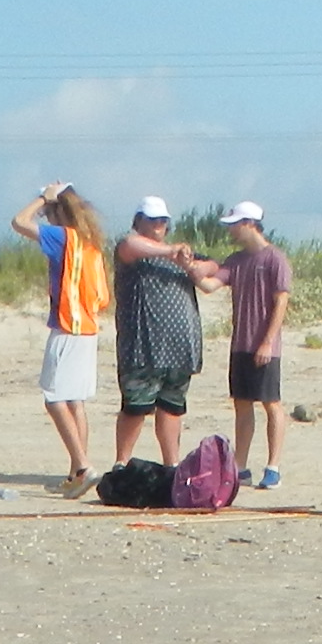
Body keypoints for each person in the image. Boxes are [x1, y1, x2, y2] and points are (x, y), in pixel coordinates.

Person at [6, 183, 110, 492]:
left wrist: (41, 198)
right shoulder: (91, 242)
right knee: (74, 400)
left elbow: (19, 223)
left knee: (53, 398)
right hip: (88, 327)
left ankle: (82, 465)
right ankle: (76, 473)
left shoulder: (63, 237)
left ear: (56, 211)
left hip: (68, 326)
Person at [110, 196, 220, 470]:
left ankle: (172, 465)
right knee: (135, 408)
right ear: (139, 221)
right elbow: (129, 245)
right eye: (152, 220)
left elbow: (213, 265)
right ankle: (121, 463)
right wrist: (170, 250)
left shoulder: (179, 256)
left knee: (172, 407)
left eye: (162, 221)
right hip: (143, 346)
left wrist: (192, 266)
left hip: (180, 348)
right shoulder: (133, 251)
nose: (158, 225)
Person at [219, 201, 293, 489]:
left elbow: (281, 301)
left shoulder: (275, 258)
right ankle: (241, 466)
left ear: (249, 224)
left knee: (271, 403)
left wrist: (267, 341)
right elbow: (212, 282)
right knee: (242, 405)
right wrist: (188, 264)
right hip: (240, 344)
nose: (231, 230)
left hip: (265, 346)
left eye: (234, 224)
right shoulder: (236, 260)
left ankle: (273, 466)